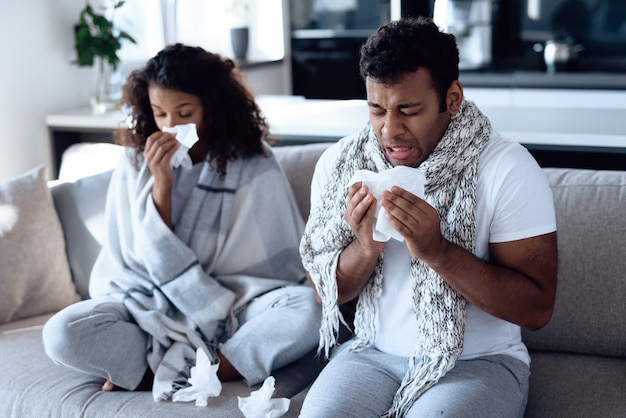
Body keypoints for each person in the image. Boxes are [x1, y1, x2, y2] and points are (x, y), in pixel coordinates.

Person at [299, 17, 558, 418]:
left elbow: (537, 309)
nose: (390, 130)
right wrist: (366, 247)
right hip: (371, 356)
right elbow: (326, 292)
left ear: (452, 98)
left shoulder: (507, 168)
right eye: (376, 109)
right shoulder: (342, 164)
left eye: (408, 110)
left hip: (479, 363)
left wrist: (437, 251)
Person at [43, 43, 321, 402]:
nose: (171, 126)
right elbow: (134, 257)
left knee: (310, 309)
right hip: (150, 304)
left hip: (236, 302)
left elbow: (282, 265)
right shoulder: (135, 161)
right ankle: (198, 367)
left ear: (212, 107)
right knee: (63, 332)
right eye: (159, 114)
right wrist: (162, 184)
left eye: (184, 112)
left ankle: (191, 372)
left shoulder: (252, 160)